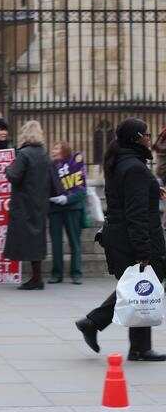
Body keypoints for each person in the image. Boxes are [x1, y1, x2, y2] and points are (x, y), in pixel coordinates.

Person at [76, 118, 166, 362]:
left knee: (139, 287)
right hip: (132, 236)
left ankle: (131, 343)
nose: (150, 137)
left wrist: (151, 189)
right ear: (137, 138)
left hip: (120, 235)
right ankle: (101, 326)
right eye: (146, 134)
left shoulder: (122, 162)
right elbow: (136, 213)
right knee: (142, 285)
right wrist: (144, 251)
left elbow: (126, 198)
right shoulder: (135, 167)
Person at [3, 120, 54, 291]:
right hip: (40, 202)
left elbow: (14, 176)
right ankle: (36, 277)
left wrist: (7, 170)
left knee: (27, 238)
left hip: (24, 203)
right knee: (37, 239)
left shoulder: (23, 154)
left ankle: (36, 279)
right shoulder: (44, 154)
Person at [49, 141, 87, 284]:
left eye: (57, 148)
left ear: (65, 150)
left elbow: (82, 188)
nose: (53, 150)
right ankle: (56, 274)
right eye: (53, 148)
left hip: (72, 207)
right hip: (54, 208)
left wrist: (68, 198)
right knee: (56, 243)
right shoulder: (50, 166)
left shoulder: (75, 162)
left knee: (74, 242)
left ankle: (76, 273)